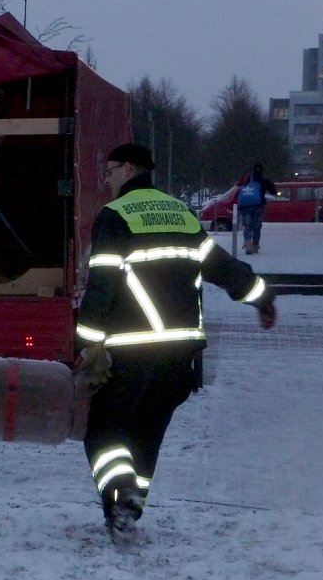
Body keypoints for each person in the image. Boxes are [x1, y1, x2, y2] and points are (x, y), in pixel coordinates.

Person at [76, 143, 277, 544]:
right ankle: (131, 507)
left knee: (102, 431)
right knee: (148, 430)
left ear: (129, 169)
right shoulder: (182, 214)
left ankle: (118, 497)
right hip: (180, 355)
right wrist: (262, 297)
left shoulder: (115, 216)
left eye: (111, 169)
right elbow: (222, 267)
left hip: (130, 350)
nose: (107, 178)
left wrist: (86, 343)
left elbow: (102, 283)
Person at [235, 162, 277, 254]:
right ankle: (255, 246)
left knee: (247, 226)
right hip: (259, 206)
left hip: (245, 206)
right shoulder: (264, 181)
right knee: (257, 227)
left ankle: (247, 245)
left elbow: (237, 188)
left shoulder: (246, 180)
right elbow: (273, 192)